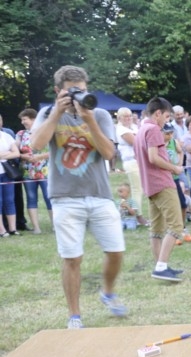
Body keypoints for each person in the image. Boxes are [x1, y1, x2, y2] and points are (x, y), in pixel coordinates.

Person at [29, 65, 128, 326]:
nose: (78, 96)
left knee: (116, 251)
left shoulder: (100, 114)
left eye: (81, 90)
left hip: (99, 193)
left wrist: (89, 119)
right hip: (64, 196)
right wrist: (56, 113)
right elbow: (36, 145)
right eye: (72, 91)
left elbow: (109, 154)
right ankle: (74, 315)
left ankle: (107, 292)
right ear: (58, 91)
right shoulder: (47, 113)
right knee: (72, 258)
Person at [134, 96, 185, 282]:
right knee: (176, 226)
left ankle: (159, 266)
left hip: (149, 185)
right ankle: (161, 267)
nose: (167, 121)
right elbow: (153, 157)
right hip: (162, 183)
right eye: (166, 116)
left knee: (156, 229)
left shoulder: (141, 130)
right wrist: (174, 168)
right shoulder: (154, 129)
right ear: (157, 113)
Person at [16, 108, 52, 233]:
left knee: (49, 197)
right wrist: (22, 156)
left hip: (46, 171)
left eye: (24, 119)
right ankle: (36, 228)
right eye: (21, 120)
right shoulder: (21, 134)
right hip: (28, 172)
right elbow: (15, 150)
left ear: (33, 119)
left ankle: (55, 225)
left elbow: (55, 151)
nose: (22, 122)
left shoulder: (46, 131)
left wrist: (39, 157)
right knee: (31, 199)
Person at [115, 107, 147, 226]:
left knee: (140, 188)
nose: (128, 118)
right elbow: (136, 142)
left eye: (129, 116)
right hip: (131, 161)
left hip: (138, 160)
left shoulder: (133, 127)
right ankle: (138, 216)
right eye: (125, 116)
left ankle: (137, 214)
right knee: (136, 189)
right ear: (119, 118)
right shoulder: (121, 129)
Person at [163, 124, 191, 243]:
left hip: (175, 177)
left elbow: (180, 152)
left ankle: (182, 228)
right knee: (169, 206)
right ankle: (170, 231)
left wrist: (179, 163)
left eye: (171, 133)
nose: (170, 136)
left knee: (183, 204)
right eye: (167, 134)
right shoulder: (158, 145)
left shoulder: (173, 142)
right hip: (164, 178)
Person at [0, 121, 21, 236]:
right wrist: (7, 153)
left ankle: (13, 229)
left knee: (10, 200)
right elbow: (11, 153)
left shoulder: (6, 136)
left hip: (7, 173)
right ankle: (2, 230)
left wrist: (2, 155)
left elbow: (16, 153)